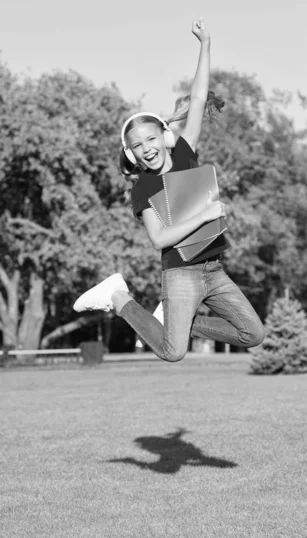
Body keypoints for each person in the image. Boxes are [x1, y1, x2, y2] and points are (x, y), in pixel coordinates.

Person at [73, 18, 265, 361]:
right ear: (131, 153)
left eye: (151, 139)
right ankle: (119, 298)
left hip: (213, 268)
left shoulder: (185, 154)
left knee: (252, 333)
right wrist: (206, 214)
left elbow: (200, 96)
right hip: (179, 273)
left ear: (164, 138)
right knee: (172, 352)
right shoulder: (142, 188)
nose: (146, 148)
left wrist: (205, 45)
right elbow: (160, 239)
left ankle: (180, 318)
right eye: (137, 145)